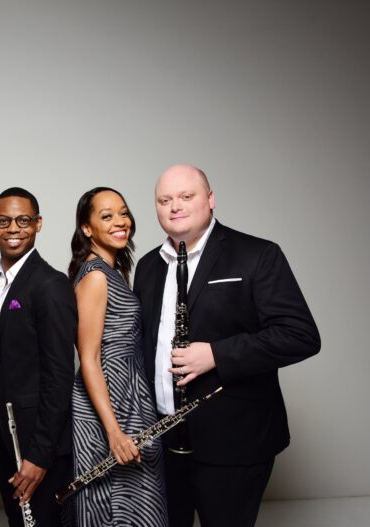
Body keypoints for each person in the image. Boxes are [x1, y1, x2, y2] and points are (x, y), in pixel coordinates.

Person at [133, 164, 321, 527]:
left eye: (186, 196)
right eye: (164, 200)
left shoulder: (257, 254)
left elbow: (300, 335)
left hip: (235, 441)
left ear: (211, 199)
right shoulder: (148, 266)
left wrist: (216, 354)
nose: (175, 206)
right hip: (163, 441)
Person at [68, 187, 168, 526]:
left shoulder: (114, 272)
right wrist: (113, 431)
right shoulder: (96, 276)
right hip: (109, 407)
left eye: (123, 213)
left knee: (140, 508)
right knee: (114, 510)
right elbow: (89, 358)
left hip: (131, 400)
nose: (120, 222)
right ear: (86, 228)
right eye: (106, 216)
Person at [0, 187, 77, 526]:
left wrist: (39, 456)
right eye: (5, 221)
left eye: (23, 220)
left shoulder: (50, 284)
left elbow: (59, 377)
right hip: (2, 440)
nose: (14, 229)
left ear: (38, 224)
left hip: (39, 445)